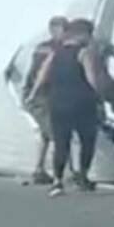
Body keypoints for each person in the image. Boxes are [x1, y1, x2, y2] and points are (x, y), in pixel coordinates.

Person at [27, 18, 102, 197]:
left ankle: (57, 181)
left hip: (58, 102)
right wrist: (100, 97)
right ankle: (82, 176)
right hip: (82, 103)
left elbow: (43, 74)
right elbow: (92, 78)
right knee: (87, 140)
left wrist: (33, 94)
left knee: (61, 143)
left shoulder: (56, 53)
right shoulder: (84, 53)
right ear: (83, 34)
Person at [23, 16, 68, 184]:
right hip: (42, 94)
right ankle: (63, 172)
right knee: (56, 134)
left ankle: (39, 168)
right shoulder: (56, 49)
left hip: (37, 93)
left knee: (45, 133)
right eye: (64, 29)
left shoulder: (42, 47)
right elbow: (44, 72)